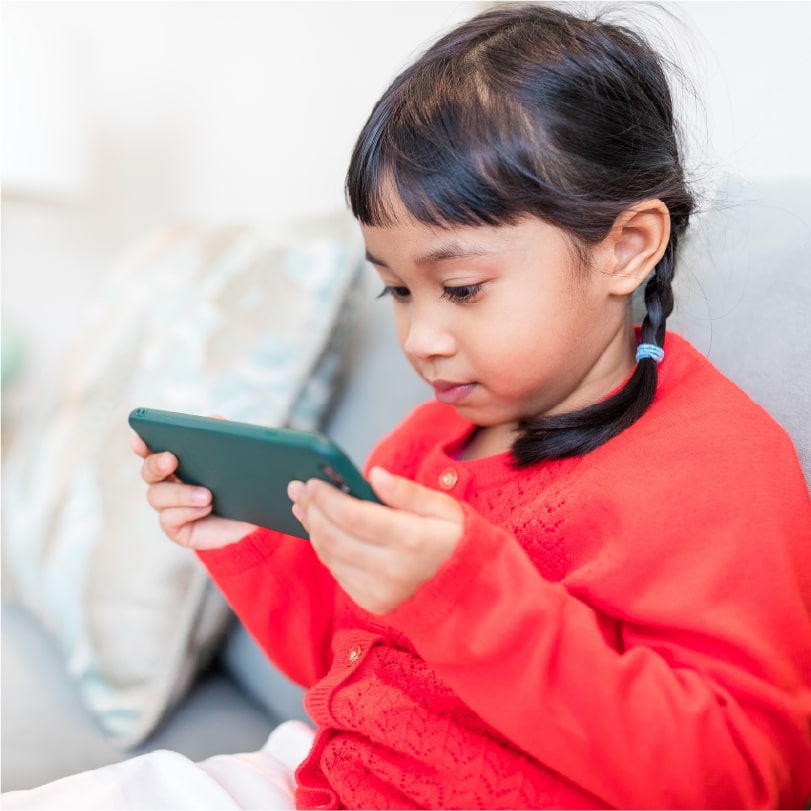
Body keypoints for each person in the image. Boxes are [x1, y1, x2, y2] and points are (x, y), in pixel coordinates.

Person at [5, 2, 811, 809]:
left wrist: (467, 593)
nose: (420, 336)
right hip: (328, 775)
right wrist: (248, 538)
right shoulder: (432, 438)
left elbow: (740, 778)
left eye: (460, 288)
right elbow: (349, 654)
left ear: (626, 247)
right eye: (396, 288)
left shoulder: (712, 465)